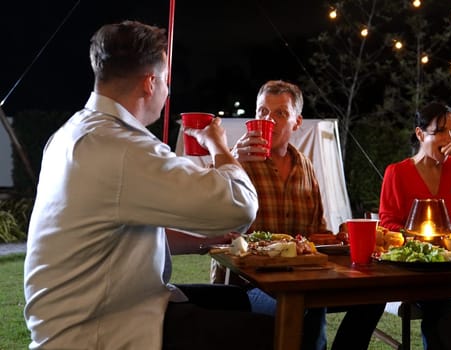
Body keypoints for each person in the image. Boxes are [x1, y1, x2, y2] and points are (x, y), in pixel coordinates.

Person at [23, 20, 273, 350]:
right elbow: (240, 207)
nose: (168, 91)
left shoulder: (72, 133)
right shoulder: (121, 146)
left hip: (78, 312)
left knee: (234, 300)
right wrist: (219, 146)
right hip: (99, 327)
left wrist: (209, 239)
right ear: (150, 83)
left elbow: (118, 232)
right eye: (167, 82)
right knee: (280, 334)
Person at [217, 80, 385, 350]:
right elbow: (215, 221)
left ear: (297, 122)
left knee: (374, 296)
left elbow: (315, 232)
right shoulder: (238, 161)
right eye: (262, 112)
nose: (269, 120)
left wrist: (337, 238)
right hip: (250, 285)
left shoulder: (305, 166)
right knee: (309, 302)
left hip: (303, 278)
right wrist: (231, 161)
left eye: (280, 113)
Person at [379, 102, 451, 350]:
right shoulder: (397, 173)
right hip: (416, 270)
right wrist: (418, 240)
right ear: (420, 134)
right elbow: (387, 223)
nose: (449, 138)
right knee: (444, 308)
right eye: (440, 131)